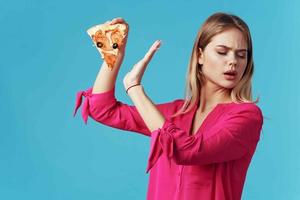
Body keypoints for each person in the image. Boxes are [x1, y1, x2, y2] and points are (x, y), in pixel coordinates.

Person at [73, 12, 264, 200]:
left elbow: (186, 151)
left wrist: (134, 88)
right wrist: (113, 54)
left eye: (241, 55)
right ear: (200, 55)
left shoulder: (247, 116)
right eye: (222, 52)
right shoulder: (175, 112)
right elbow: (102, 109)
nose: (233, 61)